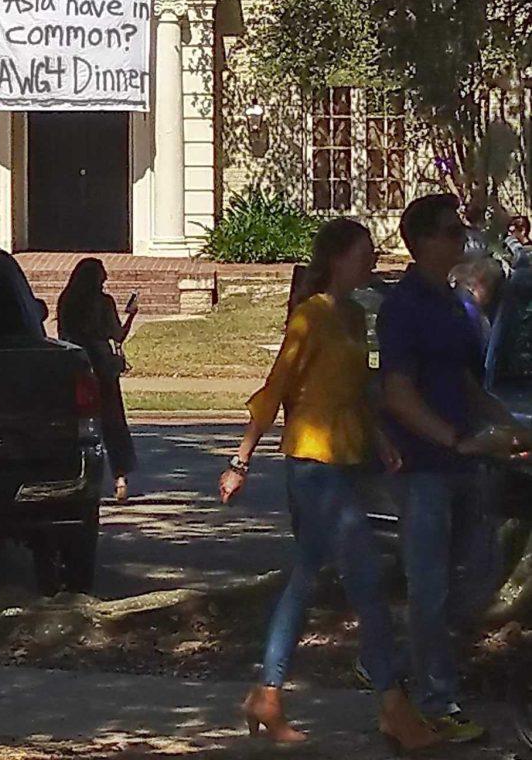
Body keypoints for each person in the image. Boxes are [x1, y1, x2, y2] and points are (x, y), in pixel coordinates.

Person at [219, 219, 436, 751]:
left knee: (305, 577)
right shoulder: (310, 317)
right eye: (365, 252)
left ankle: (266, 694)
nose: (373, 259)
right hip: (312, 465)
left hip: (348, 460)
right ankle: (392, 703)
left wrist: (380, 436)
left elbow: (358, 388)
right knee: (365, 578)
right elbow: (276, 389)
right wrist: (240, 461)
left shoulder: (356, 315)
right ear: (338, 258)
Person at [379, 194, 532, 743]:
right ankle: (436, 701)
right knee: (429, 586)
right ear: (418, 242)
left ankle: (390, 667)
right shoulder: (403, 307)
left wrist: (506, 424)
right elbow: (396, 393)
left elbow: (467, 383)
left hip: (466, 464)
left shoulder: (455, 304)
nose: (459, 240)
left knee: (477, 576)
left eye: (460, 230)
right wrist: (457, 440)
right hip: (423, 467)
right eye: (447, 231)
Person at [57, 258, 138, 502]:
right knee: (113, 421)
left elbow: (63, 333)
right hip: (102, 365)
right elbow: (118, 335)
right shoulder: (104, 303)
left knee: (74, 422)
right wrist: (132, 316)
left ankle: (71, 476)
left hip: (77, 364)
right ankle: (120, 477)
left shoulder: (67, 301)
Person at [451, 256, 504, 376]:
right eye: (491, 287)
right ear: (477, 283)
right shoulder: (469, 311)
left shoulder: (469, 307)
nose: (493, 293)